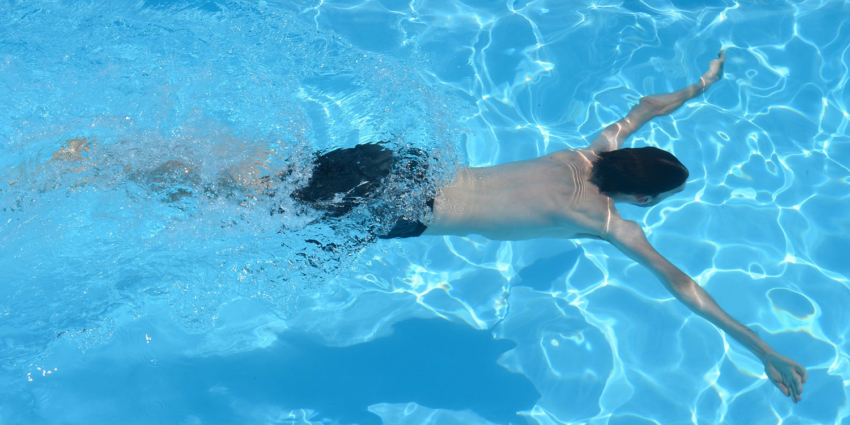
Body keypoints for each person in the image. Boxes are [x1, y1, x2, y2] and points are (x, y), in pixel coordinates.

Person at [294, 51, 808, 403]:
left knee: (265, 181)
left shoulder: (592, 150)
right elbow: (683, 287)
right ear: (644, 197)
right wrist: (762, 348)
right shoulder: (609, 223)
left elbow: (645, 108)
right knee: (259, 211)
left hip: (403, 165)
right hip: (403, 210)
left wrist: (702, 83)